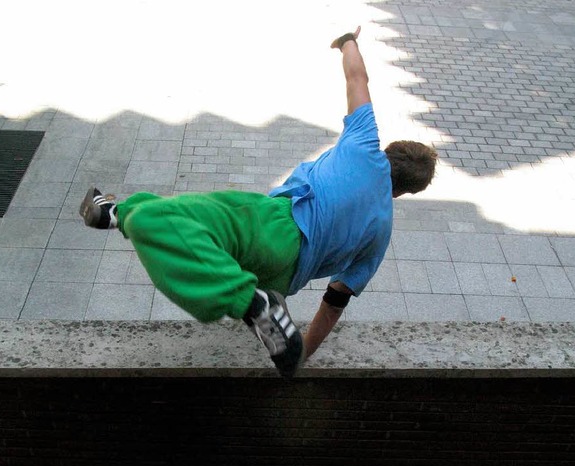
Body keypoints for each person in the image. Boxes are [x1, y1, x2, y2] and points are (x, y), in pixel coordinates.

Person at [79, 27, 437, 378]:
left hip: (272, 226)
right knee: (181, 223)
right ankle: (119, 214)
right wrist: (299, 355)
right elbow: (334, 303)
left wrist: (347, 42)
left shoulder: (364, 143)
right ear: (403, 192)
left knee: (166, 220)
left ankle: (251, 303)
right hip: (282, 277)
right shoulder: (381, 234)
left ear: (388, 151)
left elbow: (357, 78)